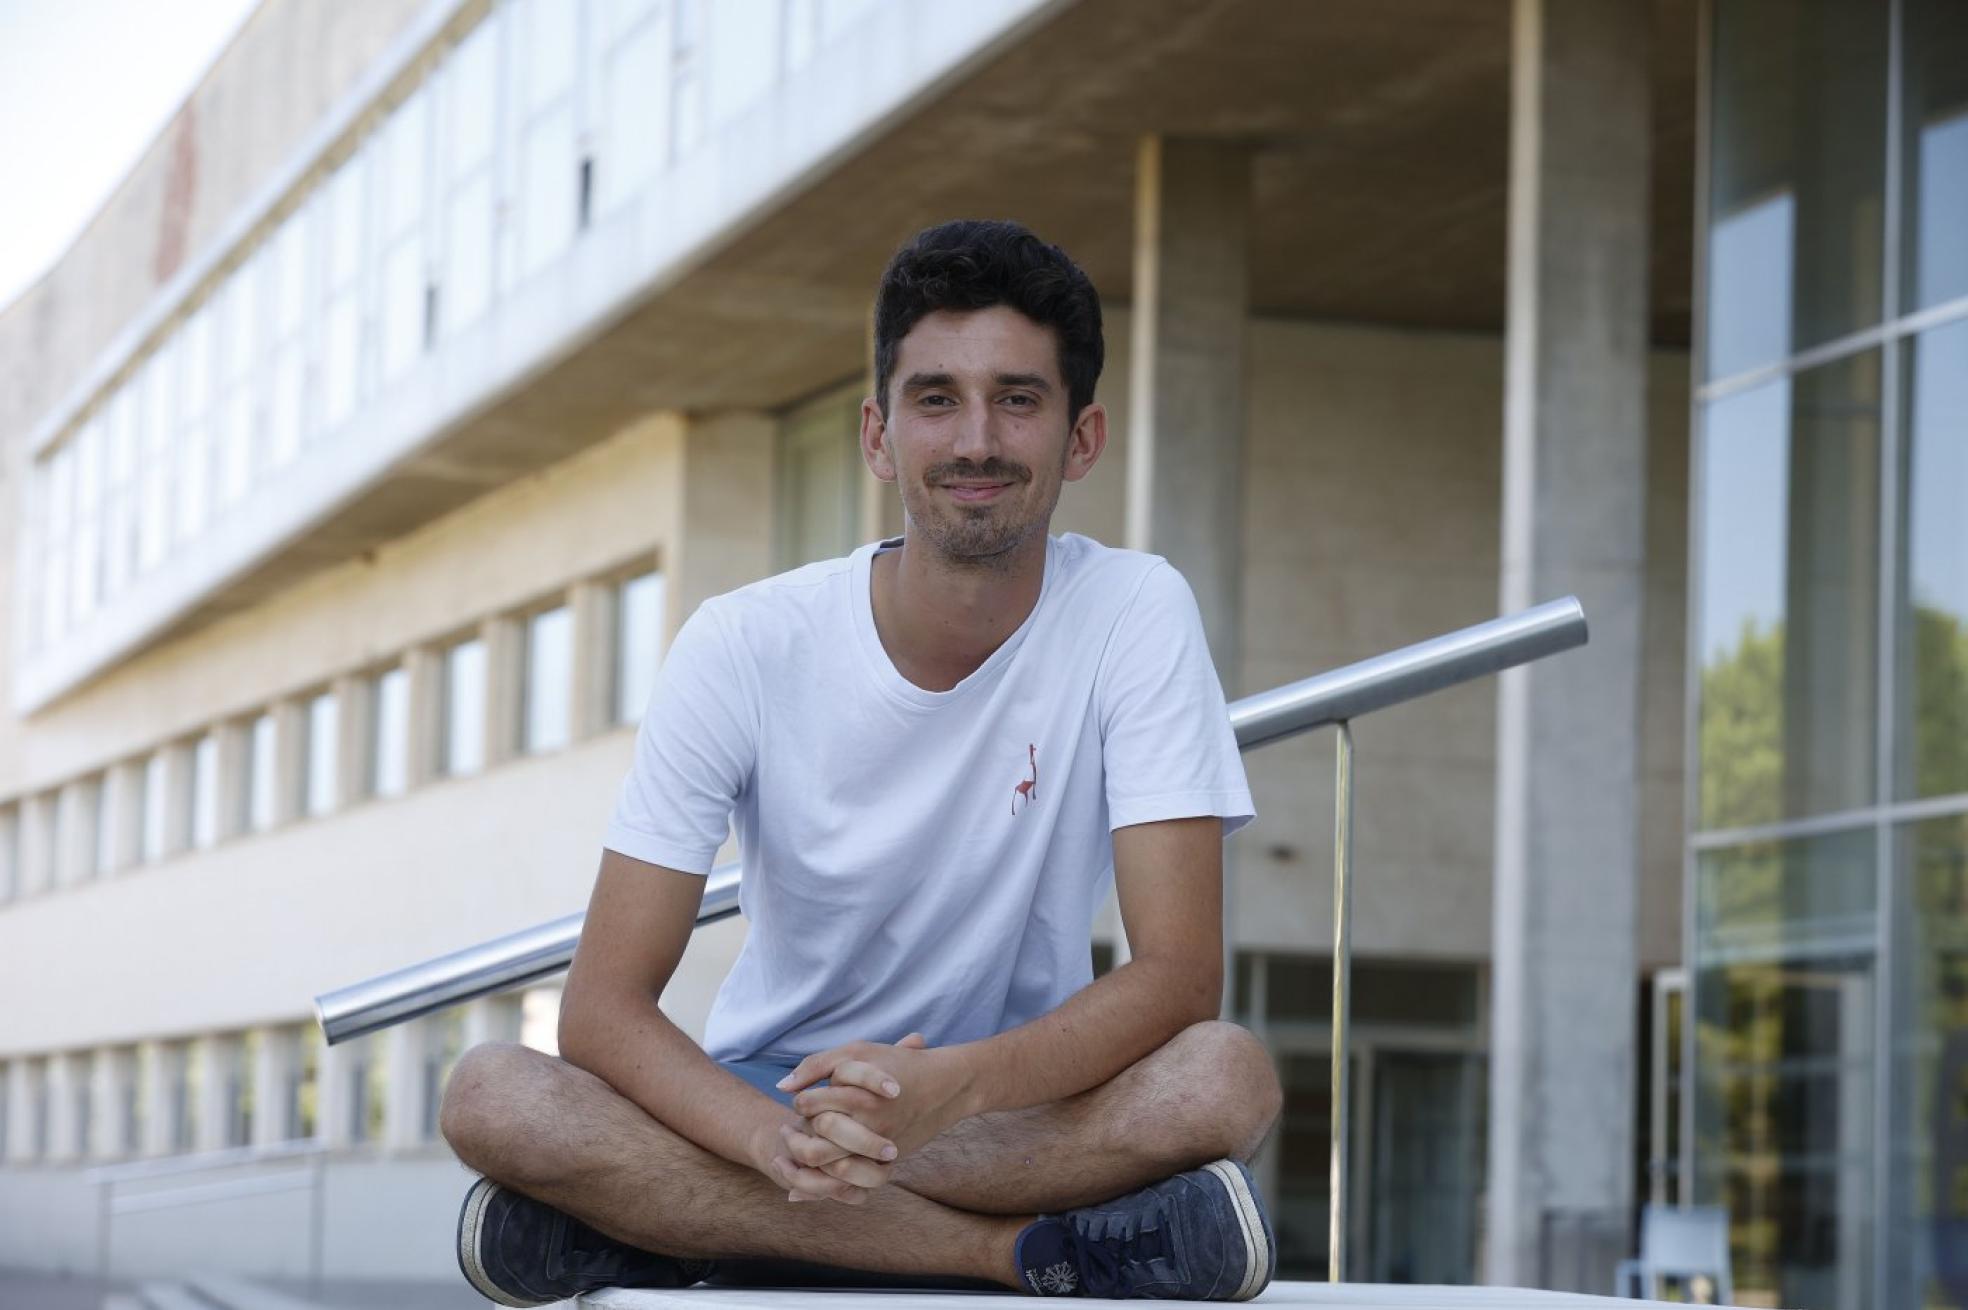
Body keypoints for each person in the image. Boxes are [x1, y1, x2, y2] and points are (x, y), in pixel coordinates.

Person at [438, 219, 1282, 1304]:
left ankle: (671, 1226)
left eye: (1018, 399)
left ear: (1082, 438)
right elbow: (602, 1005)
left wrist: (954, 1087)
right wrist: (760, 1137)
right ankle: (1010, 1251)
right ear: (879, 435)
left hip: (1012, 1099)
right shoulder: (742, 642)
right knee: (492, 1094)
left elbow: (1177, 974)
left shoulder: (1135, 608)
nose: (976, 438)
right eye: (937, 399)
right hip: (772, 1090)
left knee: (1224, 1077)